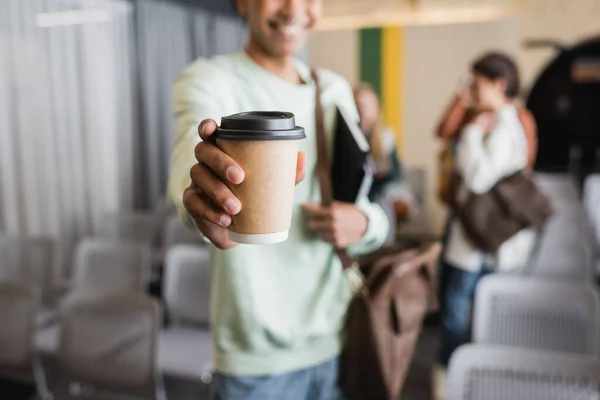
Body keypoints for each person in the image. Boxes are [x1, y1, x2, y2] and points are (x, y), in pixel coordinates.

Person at [167, 0, 389, 399]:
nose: (293, 9)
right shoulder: (210, 80)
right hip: (254, 364)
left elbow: (364, 200)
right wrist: (204, 201)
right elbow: (190, 159)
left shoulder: (333, 89)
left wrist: (366, 223)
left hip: (337, 342)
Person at [433, 52, 536, 399]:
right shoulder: (504, 121)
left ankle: (451, 383)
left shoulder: (504, 125)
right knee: (467, 311)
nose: (471, 90)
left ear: (498, 85)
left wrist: (473, 133)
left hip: (478, 241)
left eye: (476, 83)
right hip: (483, 237)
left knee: (457, 313)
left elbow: (477, 179)